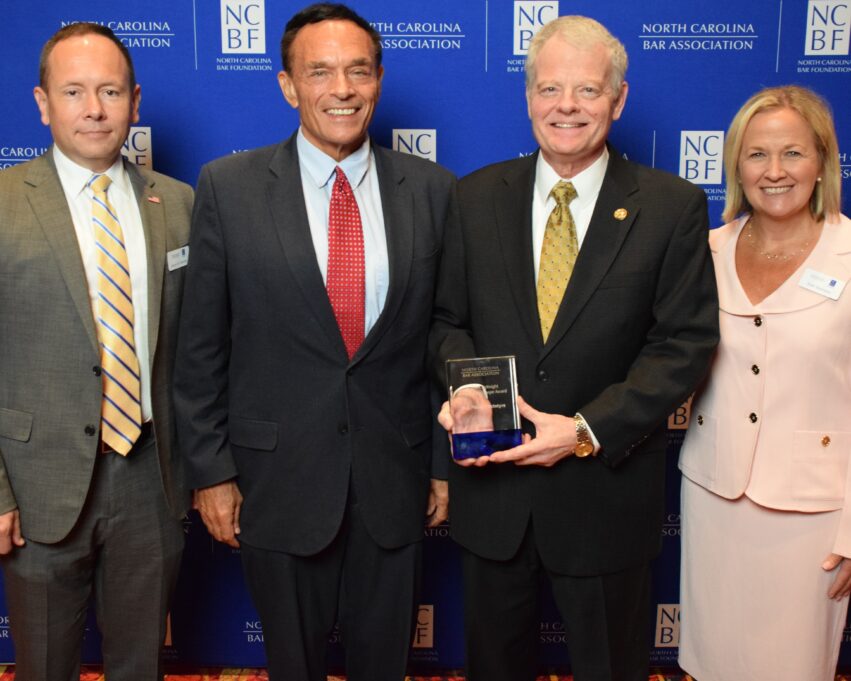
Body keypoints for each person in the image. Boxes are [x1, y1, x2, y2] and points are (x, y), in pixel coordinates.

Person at [429, 15, 719, 681]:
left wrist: (586, 429)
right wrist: (461, 384)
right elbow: (445, 322)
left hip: (604, 501)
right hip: (494, 497)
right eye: (549, 88)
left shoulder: (669, 206)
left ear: (617, 100)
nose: (566, 106)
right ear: (527, 97)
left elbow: (682, 344)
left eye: (587, 91)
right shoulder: (472, 198)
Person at [173, 4, 454, 680]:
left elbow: (447, 336)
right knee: (291, 666)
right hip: (276, 480)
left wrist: (446, 462)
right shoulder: (228, 188)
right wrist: (211, 471)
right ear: (287, 85)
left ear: (379, 80)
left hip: (395, 476)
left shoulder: (433, 191)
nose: (343, 88)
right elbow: (201, 346)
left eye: (358, 70)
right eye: (320, 71)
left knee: (382, 665)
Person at [0, 22, 192, 681]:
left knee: (139, 666)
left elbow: (197, 354)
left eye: (110, 90)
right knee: (44, 667)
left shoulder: (179, 206)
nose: (94, 109)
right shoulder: (2, 204)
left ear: (134, 101)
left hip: (151, 480)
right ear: (42, 102)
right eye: (74, 91)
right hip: (37, 486)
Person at [678, 85, 850, 681]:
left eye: (793, 154)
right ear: (736, 166)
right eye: (757, 155)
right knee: (711, 661)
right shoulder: (704, 251)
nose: (774, 172)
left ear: (823, 161)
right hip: (713, 496)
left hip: (813, 517)